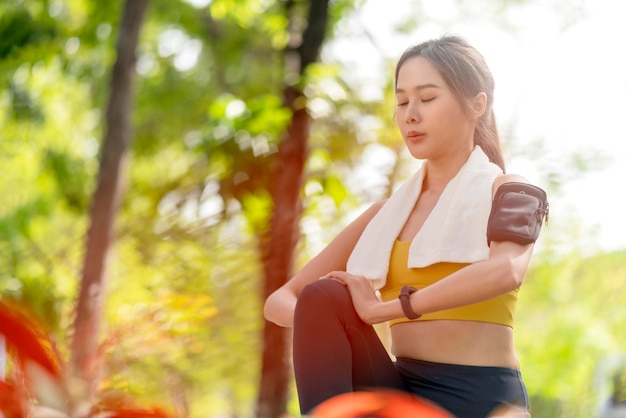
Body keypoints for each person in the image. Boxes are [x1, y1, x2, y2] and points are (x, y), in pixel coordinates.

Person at [264, 34, 548, 418]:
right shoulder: (385, 215)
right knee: (323, 296)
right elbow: (280, 302)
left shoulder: (512, 192)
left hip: (478, 396)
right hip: (398, 389)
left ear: (476, 104)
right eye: (401, 102)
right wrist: (332, 320)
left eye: (427, 98)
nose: (410, 114)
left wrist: (384, 310)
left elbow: (506, 270)